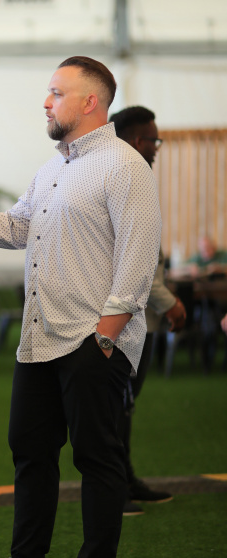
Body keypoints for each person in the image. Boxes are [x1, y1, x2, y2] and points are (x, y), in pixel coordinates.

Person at [0, 56, 161, 558]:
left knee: (97, 458)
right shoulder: (52, 168)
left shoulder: (125, 166)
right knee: (29, 450)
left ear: (90, 102)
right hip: (40, 337)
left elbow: (139, 256)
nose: (46, 102)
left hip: (93, 340)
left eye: (56, 92)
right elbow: (19, 228)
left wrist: (106, 335)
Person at [110, 106, 186, 515]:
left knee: (124, 407)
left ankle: (125, 479)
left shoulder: (133, 178)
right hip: (126, 323)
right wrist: (171, 304)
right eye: (154, 140)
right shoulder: (122, 181)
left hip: (138, 321)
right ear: (138, 141)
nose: (157, 147)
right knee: (116, 409)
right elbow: (137, 266)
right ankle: (115, 490)